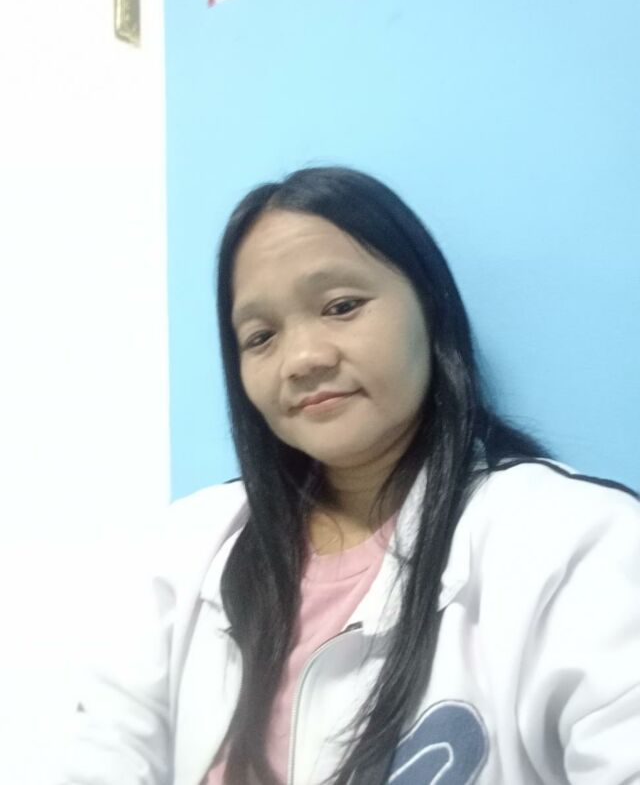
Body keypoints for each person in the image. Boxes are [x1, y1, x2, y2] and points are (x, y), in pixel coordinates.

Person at [56, 167, 640, 785]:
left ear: (430, 305)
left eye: (341, 307)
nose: (303, 359)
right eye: (261, 336)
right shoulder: (182, 552)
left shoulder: (578, 546)